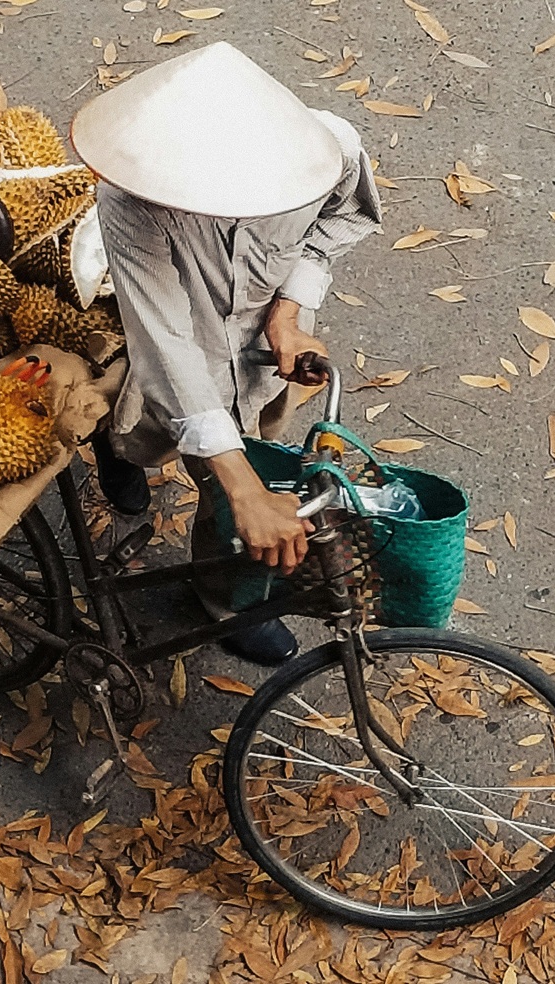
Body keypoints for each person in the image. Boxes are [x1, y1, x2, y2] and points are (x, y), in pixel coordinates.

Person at [70, 41, 381, 664]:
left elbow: (339, 221)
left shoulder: (330, 150)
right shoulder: (132, 200)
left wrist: (287, 311)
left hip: (264, 352)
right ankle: (117, 450)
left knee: (255, 464)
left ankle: (222, 600)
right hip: (187, 344)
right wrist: (242, 489)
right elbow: (165, 340)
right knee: (204, 462)